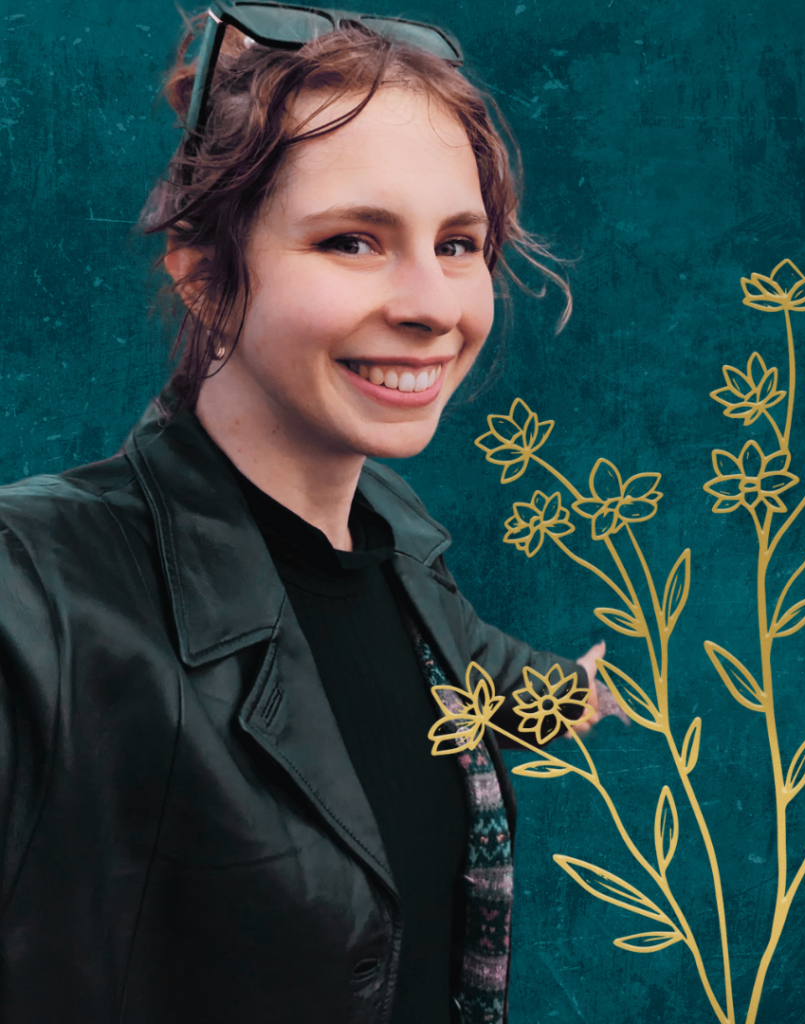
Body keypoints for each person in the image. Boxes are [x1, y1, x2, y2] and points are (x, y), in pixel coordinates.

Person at [0, 4, 606, 1023]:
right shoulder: (32, 586)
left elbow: (461, 669)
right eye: (353, 240)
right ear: (204, 274)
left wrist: (579, 695)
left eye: (459, 243)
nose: (431, 304)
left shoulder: (396, 543)